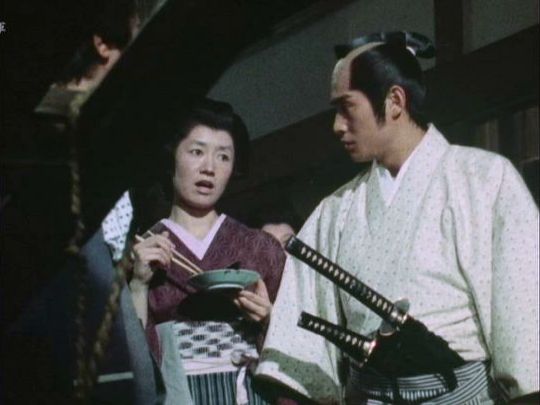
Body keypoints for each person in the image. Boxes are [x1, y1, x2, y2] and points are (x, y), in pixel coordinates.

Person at [256, 31, 539, 404]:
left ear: (394, 101)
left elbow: (523, 317)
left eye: (347, 107)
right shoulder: (335, 211)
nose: (337, 125)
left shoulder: (484, 179)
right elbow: (301, 337)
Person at [127, 98, 287, 405]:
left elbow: (299, 341)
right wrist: (138, 284)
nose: (209, 168)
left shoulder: (261, 248)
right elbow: (127, 360)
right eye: (196, 152)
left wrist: (270, 320)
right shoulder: (141, 251)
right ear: (171, 156)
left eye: (223, 156)